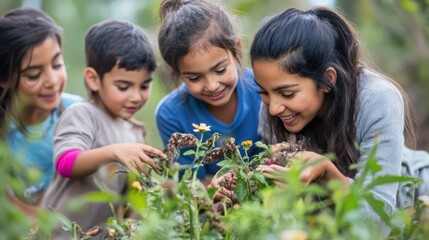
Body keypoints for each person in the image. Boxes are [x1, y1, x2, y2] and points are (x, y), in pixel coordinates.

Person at [247, 7, 429, 237]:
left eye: (288, 94)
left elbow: (376, 225)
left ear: (326, 79)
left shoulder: (377, 99)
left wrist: (328, 174)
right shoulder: (275, 109)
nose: (273, 107)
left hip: (414, 199)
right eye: (263, 91)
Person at [40, 19, 166, 237]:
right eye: (123, 86)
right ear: (94, 80)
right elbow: (65, 163)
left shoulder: (135, 132)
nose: (136, 96)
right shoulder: (83, 114)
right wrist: (113, 152)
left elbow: (129, 199)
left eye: (144, 85)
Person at [155, 0, 262, 185]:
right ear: (178, 73)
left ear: (237, 48)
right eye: (194, 78)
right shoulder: (171, 114)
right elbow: (191, 184)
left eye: (220, 70)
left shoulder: (263, 88)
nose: (212, 86)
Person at [0, 7, 82, 216]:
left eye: (57, 64)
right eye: (34, 75)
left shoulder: (76, 112)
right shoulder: (6, 135)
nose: (52, 81)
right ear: (5, 79)